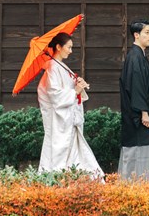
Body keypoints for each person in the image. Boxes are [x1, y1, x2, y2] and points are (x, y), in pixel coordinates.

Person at [37, 32, 104, 179]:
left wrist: (77, 85)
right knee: (59, 154)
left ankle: (77, 184)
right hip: (60, 121)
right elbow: (54, 95)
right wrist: (75, 91)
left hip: (68, 119)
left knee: (74, 153)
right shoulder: (53, 68)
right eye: (69, 47)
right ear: (59, 47)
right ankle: (59, 183)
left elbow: (66, 90)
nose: (71, 50)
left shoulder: (60, 66)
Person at [117, 19, 149, 181]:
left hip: (146, 111)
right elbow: (136, 87)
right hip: (139, 116)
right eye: (147, 32)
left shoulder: (140, 56)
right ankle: (138, 188)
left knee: (146, 149)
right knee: (138, 150)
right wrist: (144, 112)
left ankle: (146, 186)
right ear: (136, 35)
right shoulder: (134, 58)